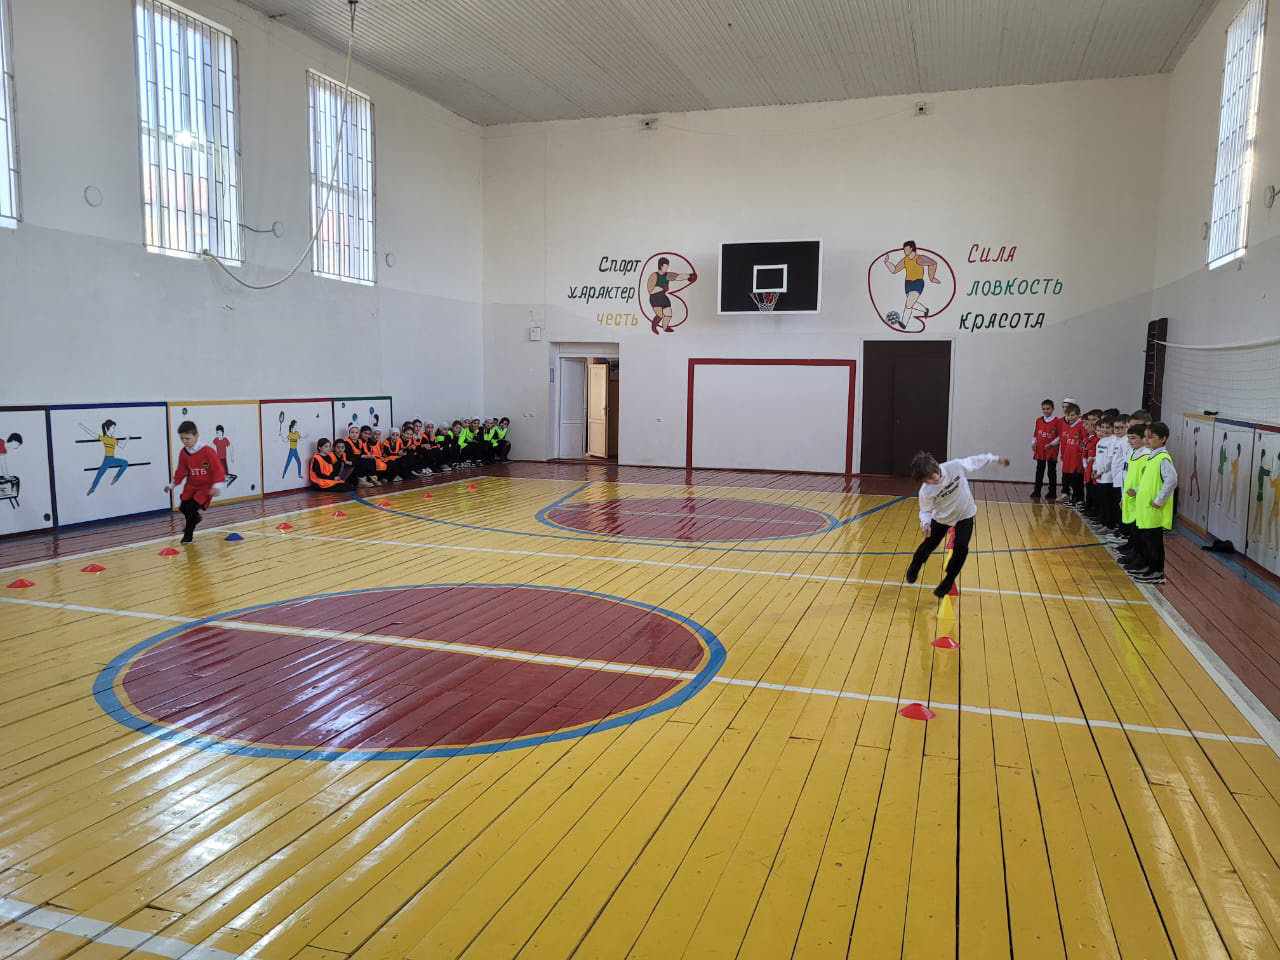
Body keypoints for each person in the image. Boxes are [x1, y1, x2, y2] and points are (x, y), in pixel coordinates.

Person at [905, 450, 1011, 598]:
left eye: (931, 477)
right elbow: (925, 510)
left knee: (961, 547)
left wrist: (996, 459)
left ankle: (949, 580)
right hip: (942, 518)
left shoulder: (954, 466)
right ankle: (915, 565)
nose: (930, 482)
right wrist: (926, 524)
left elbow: (975, 460)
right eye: (926, 481)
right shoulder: (926, 491)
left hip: (965, 515)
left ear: (936, 468)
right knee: (929, 544)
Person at [1130, 422, 1177, 584]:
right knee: (1146, 539)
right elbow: (1148, 481)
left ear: (1163, 439)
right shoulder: (1152, 456)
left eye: (1151, 437)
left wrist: (1159, 500)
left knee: (1153, 541)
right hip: (1145, 508)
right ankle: (1148, 566)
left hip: (1153, 509)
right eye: (1146, 437)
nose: (1147, 440)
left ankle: (1157, 571)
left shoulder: (1163, 458)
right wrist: (1137, 490)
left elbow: (1171, 480)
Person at [164, 420, 225, 543]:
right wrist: (172, 485)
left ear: (196, 435)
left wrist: (217, 486)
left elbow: (218, 469)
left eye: (187, 438)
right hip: (191, 485)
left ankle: (188, 535)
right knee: (183, 507)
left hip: (205, 487)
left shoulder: (207, 451)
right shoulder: (184, 453)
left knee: (191, 508)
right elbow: (181, 471)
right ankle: (195, 519)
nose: (185, 441)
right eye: (182, 439)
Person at [882, 241, 940, 330]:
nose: (904, 251)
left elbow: (933, 263)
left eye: (906, 249)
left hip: (917, 282)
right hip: (908, 284)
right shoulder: (905, 260)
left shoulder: (919, 258)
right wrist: (887, 263)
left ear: (912, 248)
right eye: (904, 249)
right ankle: (925, 310)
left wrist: (931, 278)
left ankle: (903, 323)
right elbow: (894, 270)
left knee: (908, 304)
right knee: (911, 303)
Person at [81, 419, 130, 495]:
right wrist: (82, 427)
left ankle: (116, 477)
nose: (114, 430)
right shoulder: (104, 438)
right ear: (108, 429)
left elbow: (122, 446)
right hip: (107, 460)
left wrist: (127, 438)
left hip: (112, 459)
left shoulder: (113, 439)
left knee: (125, 463)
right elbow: (92, 434)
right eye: (113, 428)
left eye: (114, 429)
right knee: (99, 474)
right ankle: (92, 488)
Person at [646, 257, 694, 334]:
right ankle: (654, 326)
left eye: (667, 267)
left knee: (668, 314)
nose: (667, 268)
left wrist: (689, 276)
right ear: (661, 266)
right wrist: (661, 288)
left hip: (663, 297)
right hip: (655, 298)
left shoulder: (667, 275)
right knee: (660, 315)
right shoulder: (654, 275)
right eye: (665, 266)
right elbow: (650, 290)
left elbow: (678, 277)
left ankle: (665, 328)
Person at [1030, 398, 1060, 500]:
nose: (1046, 411)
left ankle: (1052, 492)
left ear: (1053, 409)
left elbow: (1059, 436)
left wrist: (1051, 444)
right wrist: (1033, 442)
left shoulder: (1057, 421)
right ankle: (1037, 490)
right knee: (1039, 470)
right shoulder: (1039, 420)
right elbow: (1036, 433)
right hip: (1040, 449)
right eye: (1044, 409)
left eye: (1048, 408)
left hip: (1051, 449)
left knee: (1051, 471)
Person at [1057, 401, 1086, 505]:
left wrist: (1081, 452)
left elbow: (1084, 441)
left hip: (1077, 458)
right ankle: (1073, 498)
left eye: (1073, 415)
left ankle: (1079, 499)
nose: (1070, 417)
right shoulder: (1070, 426)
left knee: (1077, 479)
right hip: (1069, 457)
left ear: (1079, 414)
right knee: (1070, 478)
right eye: (1069, 415)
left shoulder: (1081, 425)